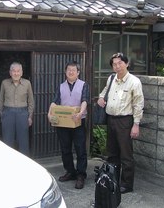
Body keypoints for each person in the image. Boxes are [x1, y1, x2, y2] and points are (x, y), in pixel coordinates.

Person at [97, 52, 144, 194]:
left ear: (127, 64)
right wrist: (100, 98)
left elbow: (138, 104)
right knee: (112, 153)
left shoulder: (134, 82)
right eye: (114, 64)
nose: (117, 66)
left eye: (120, 63)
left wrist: (136, 124)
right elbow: (105, 92)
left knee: (126, 155)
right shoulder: (111, 78)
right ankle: (114, 179)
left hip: (125, 121)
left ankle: (127, 184)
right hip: (110, 119)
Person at [48, 61, 89, 189]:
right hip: (63, 122)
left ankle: (81, 175)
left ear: (78, 72)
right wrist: (49, 113)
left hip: (78, 122)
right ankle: (70, 172)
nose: (71, 72)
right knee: (65, 149)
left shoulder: (83, 85)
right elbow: (55, 101)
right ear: (65, 72)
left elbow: (85, 100)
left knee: (80, 149)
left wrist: (81, 112)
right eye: (68, 70)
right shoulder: (61, 86)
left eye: (73, 70)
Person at [0, 62, 34, 156]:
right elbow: (1, 100)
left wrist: (30, 116)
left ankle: (25, 162)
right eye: (13, 71)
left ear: (22, 72)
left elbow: (31, 101)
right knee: (7, 140)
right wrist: (2, 114)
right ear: (10, 72)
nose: (16, 73)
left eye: (18, 71)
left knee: (23, 140)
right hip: (8, 112)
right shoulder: (4, 83)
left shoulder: (27, 83)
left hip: (23, 113)